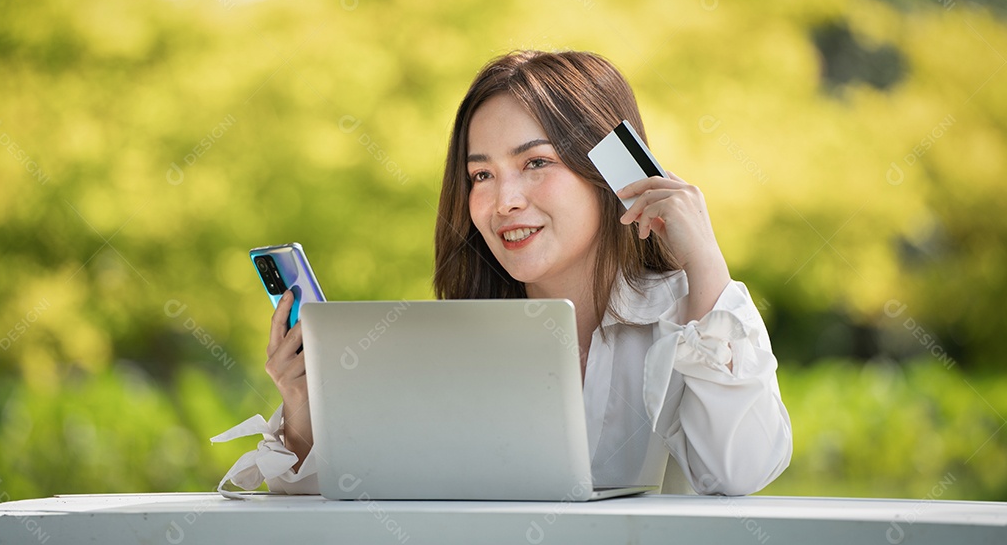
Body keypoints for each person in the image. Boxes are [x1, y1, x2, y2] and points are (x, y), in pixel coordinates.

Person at [212, 50, 792, 497]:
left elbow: (739, 471)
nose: (503, 200)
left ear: (611, 174)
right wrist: (306, 411)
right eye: (481, 175)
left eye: (536, 163)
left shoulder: (690, 317)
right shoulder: (450, 341)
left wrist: (705, 262)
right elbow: (351, 508)